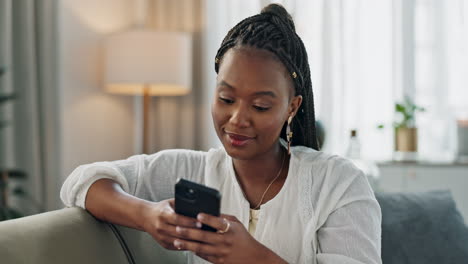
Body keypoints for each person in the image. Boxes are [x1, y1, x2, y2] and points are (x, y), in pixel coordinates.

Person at [61, 4, 381, 264]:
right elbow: (82, 182)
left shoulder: (338, 184)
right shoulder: (192, 171)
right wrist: (149, 215)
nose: (237, 119)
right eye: (226, 99)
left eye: (260, 106)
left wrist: (254, 257)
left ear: (291, 107)